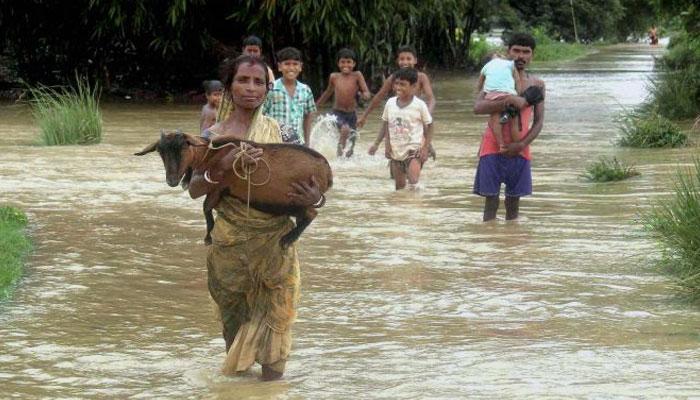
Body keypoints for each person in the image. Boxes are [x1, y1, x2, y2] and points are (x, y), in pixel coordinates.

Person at [189, 55, 324, 381]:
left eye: (258, 82)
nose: (250, 88)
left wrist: (315, 199)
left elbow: (313, 183)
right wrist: (224, 168)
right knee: (235, 339)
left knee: (275, 346)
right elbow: (194, 189)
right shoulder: (212, 136)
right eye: (242, 81)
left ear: (267, 89)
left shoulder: (284, 133)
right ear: (229, 87)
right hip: (230, 248)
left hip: (276, 246)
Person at [472, 32, 545, 222]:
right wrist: (512, 102)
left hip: (520, 147)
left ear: (532, 55)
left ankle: (511, 245)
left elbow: (538, 122)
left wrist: (521, 145)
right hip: (492, 146)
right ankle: (490, 244)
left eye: (526, 52)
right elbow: (478, 107)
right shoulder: (495, 78)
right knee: (490, 203)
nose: (520, 56)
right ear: (508, 52)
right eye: (516, 51)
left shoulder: (537, 84)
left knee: (514, 205)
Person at [362, 45, 436, 158]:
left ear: (415, 60)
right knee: (388, 126)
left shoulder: (421, 77)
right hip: (398, 114)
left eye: (408, 58)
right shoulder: (393, 78)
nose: (405, 62)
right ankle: (378, 148)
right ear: (397, 61)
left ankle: (428, 148)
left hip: (414, 115)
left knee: (424, 129)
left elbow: (431, 99)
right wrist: (364, 116)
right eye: (402, 59)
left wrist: (427, 113)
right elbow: (379, 97)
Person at [380, 68, 433, 190]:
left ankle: (417, 206)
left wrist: (426, 148)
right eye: (396, 83)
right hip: (396, 150)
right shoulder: (390, 103)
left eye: (403, 84)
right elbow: (386, 124)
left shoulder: (419, 105)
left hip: (413, 150)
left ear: (414, 86)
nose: (398, 87)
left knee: (414, 183)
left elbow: (430, 126)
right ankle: (402, 208)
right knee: (399, 188)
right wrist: (386, 145)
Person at [315, 48, 371, 157]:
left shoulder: (357, 75)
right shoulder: (334, 77)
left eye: (349, 62)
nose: (346, 65)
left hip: (351, 114)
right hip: (337, 113)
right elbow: (328, 92)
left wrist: (365, 95)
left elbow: (366, 91)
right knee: (345, 129)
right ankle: (339, 156)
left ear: (354, 63)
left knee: (351, 145)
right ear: (338, 63)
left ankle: (345, 168)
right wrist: (315, 106)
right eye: (343, 62)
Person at [263, 47, 316, 146]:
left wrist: (307, 142)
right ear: (279, 67)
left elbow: (308, 115)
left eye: (295, 64)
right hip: (273, 142)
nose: (291, 68)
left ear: (300, 67)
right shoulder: (271, 88)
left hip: (297, 143)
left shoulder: (305, 90)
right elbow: (261, 114)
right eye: (287, 64)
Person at [476, 51, 523, 151]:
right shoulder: (509, 64)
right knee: (514, 122)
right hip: (508, 94)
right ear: (498, 57)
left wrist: (480, 93)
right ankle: (517, 145)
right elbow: (517, 80)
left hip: (493, 95)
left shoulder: (486, 67)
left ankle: (501, 144)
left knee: (495, 121)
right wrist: (518, 95)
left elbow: (480, 83)